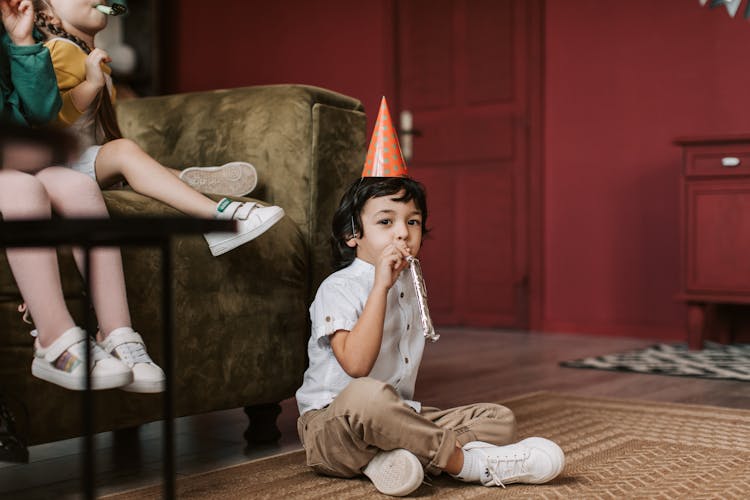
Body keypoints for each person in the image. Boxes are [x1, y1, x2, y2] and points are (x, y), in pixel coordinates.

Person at [295, 175, 565, 496]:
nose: (402, 232)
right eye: (385, 221)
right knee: (367, 395)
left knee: (499, 418)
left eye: (413, 221)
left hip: (398, 416)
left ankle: (394, 459)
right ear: (351, 233)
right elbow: (356, 365)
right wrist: (380, 286)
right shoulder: (338, 287)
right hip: (334, 427)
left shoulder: (410, 285)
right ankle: (467, 464)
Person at [32, 0, 283, 257]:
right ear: (48, 16)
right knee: (123, 152)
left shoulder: (92, 58)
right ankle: (217, 220)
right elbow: (47, 116)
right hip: (61, 166)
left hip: (85, 159)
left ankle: (186, 180)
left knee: (138, 161)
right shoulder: (57, 50)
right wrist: (92, 85)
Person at [0, 0, 163, 394]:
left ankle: (118, 332)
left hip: (16, 159)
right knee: (23, 189)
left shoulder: (15, 38)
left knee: (78, 186)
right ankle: (53, 339)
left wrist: (22, 44)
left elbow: (41, 114)